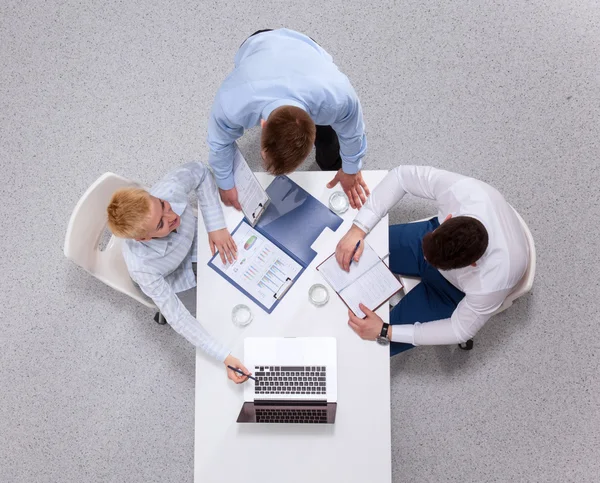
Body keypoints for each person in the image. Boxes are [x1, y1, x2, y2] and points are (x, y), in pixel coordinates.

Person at [335, 165, 529, 355]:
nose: (426, 259)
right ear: (448, 218)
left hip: (451, 293)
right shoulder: (464, 193)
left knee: (373, 346)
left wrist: (386, 330)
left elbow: (459, 330)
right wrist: (358, 229)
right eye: (427, 253)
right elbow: (401, 177)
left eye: (433, 261)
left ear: (472, 264)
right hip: (433, 242)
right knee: (352, 249)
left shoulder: (492, 282)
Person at [107, 162, 250, 382]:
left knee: (246, 263)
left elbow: (201, 172)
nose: (171, 215)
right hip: (174, 279)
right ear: (143, 238)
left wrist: (216, 226)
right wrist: (225, 356)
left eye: (163, 205)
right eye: (160, 224)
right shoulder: (142, 266)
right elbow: (177, 316)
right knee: (218, 313)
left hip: (197, 242)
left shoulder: (169, 189)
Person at [207, 28, 370, 211]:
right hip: (259, 44)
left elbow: (353, 132)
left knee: (331, 141)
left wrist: (350, 170)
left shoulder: (337, 98)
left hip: (306, 50)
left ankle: (330, 164)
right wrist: (225, 183)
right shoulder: (233, 99)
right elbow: (218, 142)